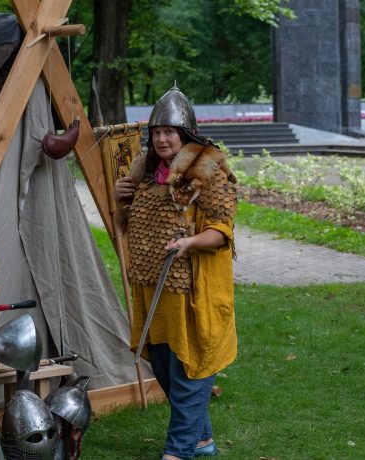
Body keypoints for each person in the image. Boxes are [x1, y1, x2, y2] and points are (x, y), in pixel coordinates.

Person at [115, 85, 237, 460]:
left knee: (190, 370)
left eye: (170, 132)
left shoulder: (207, 171)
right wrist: (125, 199)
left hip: (193, 290)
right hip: (154, 288)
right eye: (157, 132)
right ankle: (201, 439)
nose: (163, 139)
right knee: (166, 370)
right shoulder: (147, 173)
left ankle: (178, 450)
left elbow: (222, 231)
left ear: (185, 134)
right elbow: (133, 226)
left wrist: (190, 242)